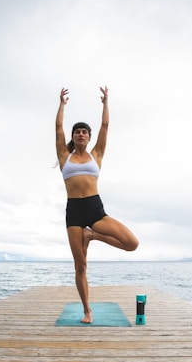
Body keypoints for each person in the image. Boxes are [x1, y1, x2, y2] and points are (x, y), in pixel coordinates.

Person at [55, 86, 139, 323]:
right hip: (74, 212)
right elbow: (58, 128)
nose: (81, 134)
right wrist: (62, 105)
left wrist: (105, 103)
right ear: (73, 137)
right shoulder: (64, 156)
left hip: (95, 210)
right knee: (80, 266)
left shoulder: (96, 154)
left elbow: (105, 127)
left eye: (84, 132)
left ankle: (92, 236)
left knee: (132, 243)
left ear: (89, 137)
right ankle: (87, 310)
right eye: (77, 132)